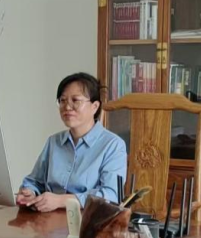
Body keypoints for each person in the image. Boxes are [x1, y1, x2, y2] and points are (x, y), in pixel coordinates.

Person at [17, 72, 127, 212]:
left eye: (75, 100)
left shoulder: (113, 145)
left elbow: (111, 195)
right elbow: (34, 181)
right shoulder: (54, 142)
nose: (67, 107)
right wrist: (29, 192)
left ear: (94, 106)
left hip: (87, 220)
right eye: (62, 101)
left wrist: (61, 201)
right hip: (47, 219)